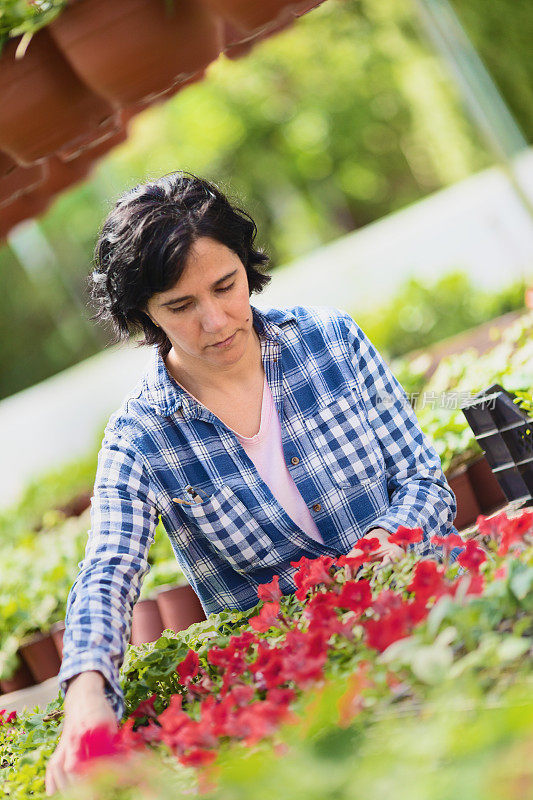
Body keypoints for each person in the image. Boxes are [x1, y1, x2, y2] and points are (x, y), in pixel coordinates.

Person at [45, 171, 461, 794]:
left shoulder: (331, 343)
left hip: (434, 623)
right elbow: (107, 570)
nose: (214, 322)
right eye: (180, 307)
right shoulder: (143, 435)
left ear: (247, 266)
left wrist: (382, 552)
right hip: (302, 699)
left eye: (225, 286)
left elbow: (423, 481)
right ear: (144, 316)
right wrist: (84, 700)